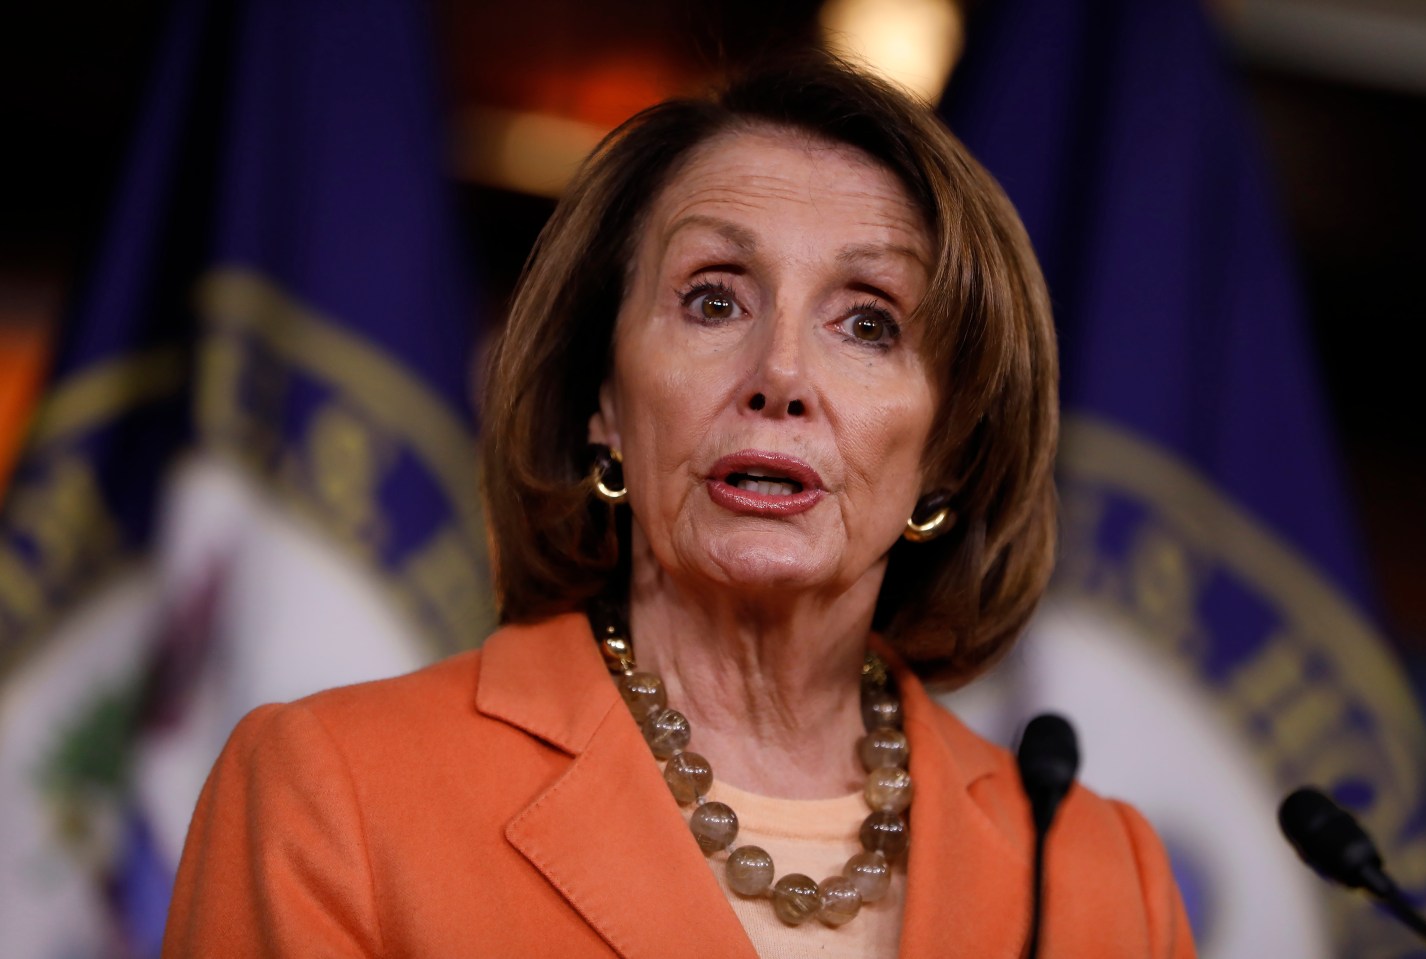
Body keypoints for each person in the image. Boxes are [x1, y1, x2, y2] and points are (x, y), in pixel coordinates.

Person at [162, 54, 1196, 958]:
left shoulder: (1104, 879)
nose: (781, 372)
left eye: (870, 322)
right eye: (714, 298)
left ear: (948, 449)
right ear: (603, 401)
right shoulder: (334, 791)